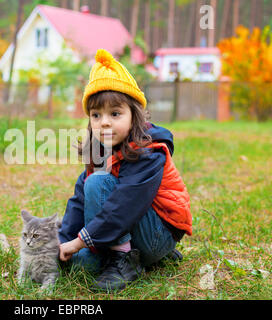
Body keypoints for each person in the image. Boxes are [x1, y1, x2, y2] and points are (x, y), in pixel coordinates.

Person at [58, 49, 192, 292]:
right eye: (96, 115)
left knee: (97, 184)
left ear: (135, 115)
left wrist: (80, 242)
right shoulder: (101, 151)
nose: (105, 122)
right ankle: (130, 253)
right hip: (131, 227)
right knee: (79, 266)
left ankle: (124, 260)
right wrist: (62, 241)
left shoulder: (148, 152)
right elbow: (79, 201)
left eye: (115, 113)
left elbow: (125, 204)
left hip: (158, 231)